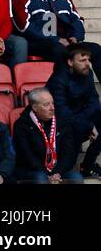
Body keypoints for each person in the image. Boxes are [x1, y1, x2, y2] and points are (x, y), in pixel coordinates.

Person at [12, 0, 98, 64]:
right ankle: (63, 80)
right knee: (61, 50)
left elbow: (75, 17)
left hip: (65, 40)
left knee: (95, 49)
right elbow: (25, 27)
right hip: (39, 42)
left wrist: (75, 36)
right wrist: (56, 39)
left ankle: (84, 80)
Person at [48, 44, 101, 177]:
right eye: (82, 60)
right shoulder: (58, 79)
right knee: (74, 126)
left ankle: (87, 166)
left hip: (79, 117)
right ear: (70, 62)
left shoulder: (87, 74)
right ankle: (65, 169)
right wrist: (88, 124)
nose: (87, 64)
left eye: (89, 60)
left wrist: (87, 122)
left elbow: (94, 102)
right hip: (60, 124)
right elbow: (62, 113)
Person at [13, 88, 81, 183]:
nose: (52, 108)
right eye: (46, 105)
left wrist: (58, 173)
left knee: (76, 178)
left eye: (52, 103)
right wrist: (46, 173)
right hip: (33, 170)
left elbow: (69, 152)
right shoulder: (21, 125)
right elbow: (26, 155)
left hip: (58, 170)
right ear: (35, 107)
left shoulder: (62, 122)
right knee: (41, 179)